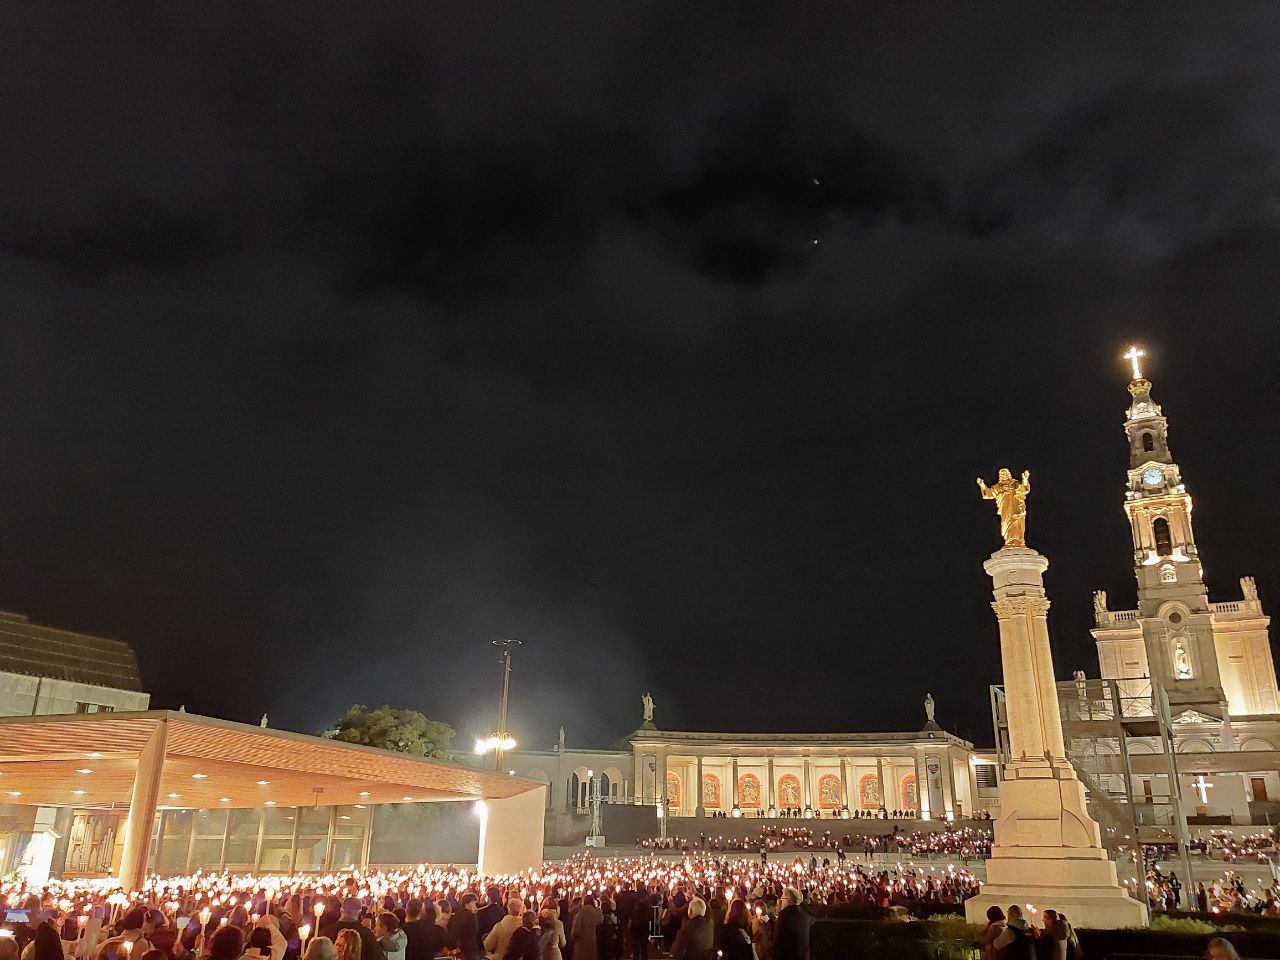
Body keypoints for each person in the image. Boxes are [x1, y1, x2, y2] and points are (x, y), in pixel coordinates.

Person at [770, 889, 812, 960]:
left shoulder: (784, 918)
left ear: (788, 900)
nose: (781, 901)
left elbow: (778, 943)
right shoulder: (805, 916)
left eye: (782, 898)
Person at [447, 894, 480, 960]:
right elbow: (473, 933)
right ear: (466, 904)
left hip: (457, 948)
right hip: (469, 949)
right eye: (473, 903)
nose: (475, 906)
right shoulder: (471, 916)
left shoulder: (455, 916)